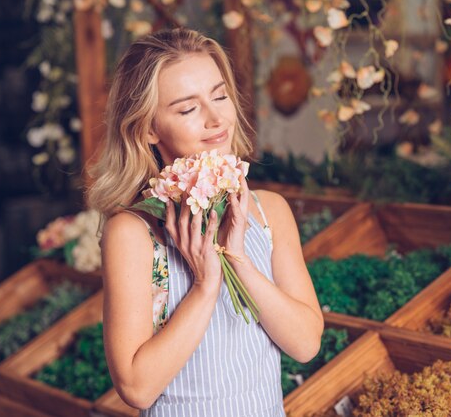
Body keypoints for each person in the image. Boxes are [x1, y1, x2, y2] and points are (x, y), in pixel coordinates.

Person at [86, 28, 323, 416]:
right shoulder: (134, 232)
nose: (216, 119)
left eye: (220, 95)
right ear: (147, 128)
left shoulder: (269, 212)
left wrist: (237, 258)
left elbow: (306, 344)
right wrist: (204, 284)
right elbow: (137, 388)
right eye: (187, 108)